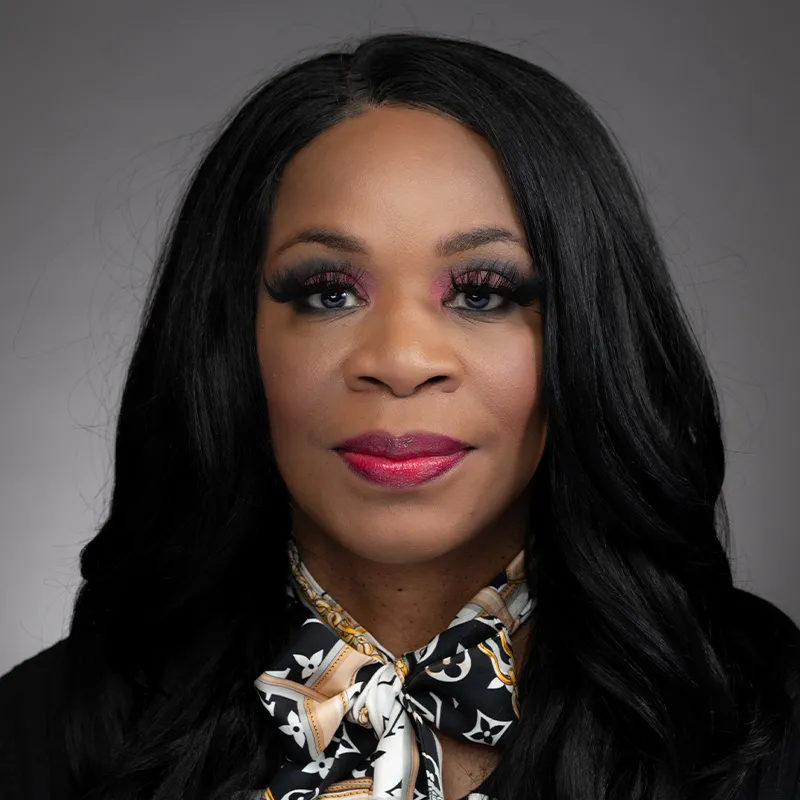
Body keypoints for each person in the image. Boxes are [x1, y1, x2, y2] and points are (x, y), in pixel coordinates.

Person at [1, 30, 798, 800]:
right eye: (329, 293)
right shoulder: (41, 734)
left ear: (586, 335)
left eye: (483, 292)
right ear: (232, 343)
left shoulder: (767, 717)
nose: (401, 360)